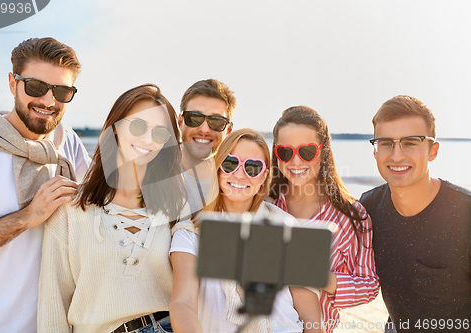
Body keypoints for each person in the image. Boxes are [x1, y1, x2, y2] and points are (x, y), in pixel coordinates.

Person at [38, 84, 186, 333]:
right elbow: (53, 306)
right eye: (138, 126)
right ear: (115, 128)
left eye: (160, 133)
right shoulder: (70, 210)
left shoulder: (176, 208)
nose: (148, 139)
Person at [0, 37, 91, 332]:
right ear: (13, 83)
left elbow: (100, 208)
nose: (49, 101)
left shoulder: (69, 142)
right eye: (36, 87)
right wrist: (27, 217)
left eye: (62, 91)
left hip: (58, 324)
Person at [170, 128, 324, 333]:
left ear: (264, 178)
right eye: (230, 163)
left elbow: (312, 320)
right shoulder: (190, 233)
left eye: (252, 167)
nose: (240, 174)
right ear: (218, 168)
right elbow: (183, 304)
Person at [360, 95, 471, 332]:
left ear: (433, 151)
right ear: (375, 151)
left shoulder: (465, 213)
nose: (397, 155)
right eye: (386, 143)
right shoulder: (368, 207)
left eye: (410, 142)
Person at [268, 106, 379, 333]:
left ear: (324, 151)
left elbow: (369, 285)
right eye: (285, 152)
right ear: (276, 154)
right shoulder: (264, 205)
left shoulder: (352, 216)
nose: (296, 162)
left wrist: (321, 278)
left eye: (307, 151)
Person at [178, 79, 236, 214]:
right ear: (180, 122)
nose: (204, 129)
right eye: (194, 117)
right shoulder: (154, 167)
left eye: (216, 121)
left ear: (228, 130)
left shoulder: (239, 179)